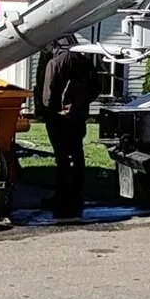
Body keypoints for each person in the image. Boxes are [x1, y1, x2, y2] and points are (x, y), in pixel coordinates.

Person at [40, 36, 98, 217]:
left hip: (59, 118)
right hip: (78, 116)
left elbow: (48, 95)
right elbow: (96, 88)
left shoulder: (55, 63)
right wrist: (80, 104)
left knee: (62, 158)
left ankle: (62, 195)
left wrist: (49, 113)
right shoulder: (85, 61)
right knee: (77, 154)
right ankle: (76, 194)